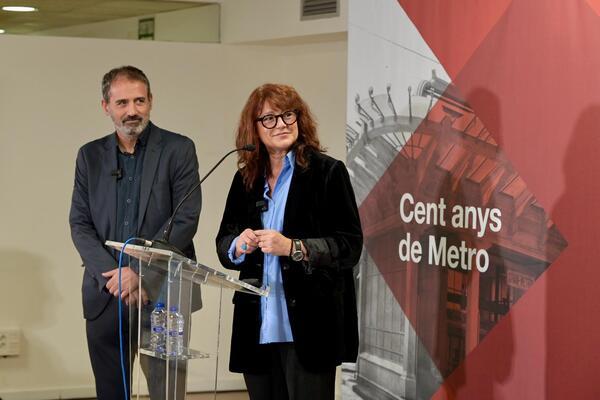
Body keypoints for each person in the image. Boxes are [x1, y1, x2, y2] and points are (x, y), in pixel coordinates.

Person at [216, 83, 363, 399]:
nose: (281, 124)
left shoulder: (328, 173)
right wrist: (237, 244)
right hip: (257, 324)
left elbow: (349, 246)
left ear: (300, 119)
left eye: (287, 115)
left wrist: (295, 248)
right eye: (269, 118)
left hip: (310, 325)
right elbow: (223, 242)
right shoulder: (246, 179)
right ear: (254, 128)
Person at [69, 65, 201, 399]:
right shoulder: (90, 156)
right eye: (122, 102)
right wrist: (115, 276)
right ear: (106, 106)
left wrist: (139, 274)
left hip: (162, 295)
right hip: (106, 293)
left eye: (139, 101)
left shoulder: (179, 149)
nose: (132, 111)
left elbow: (184, 219)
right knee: (112, 393)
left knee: (166, 393)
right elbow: (80, 223)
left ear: (151, 101)